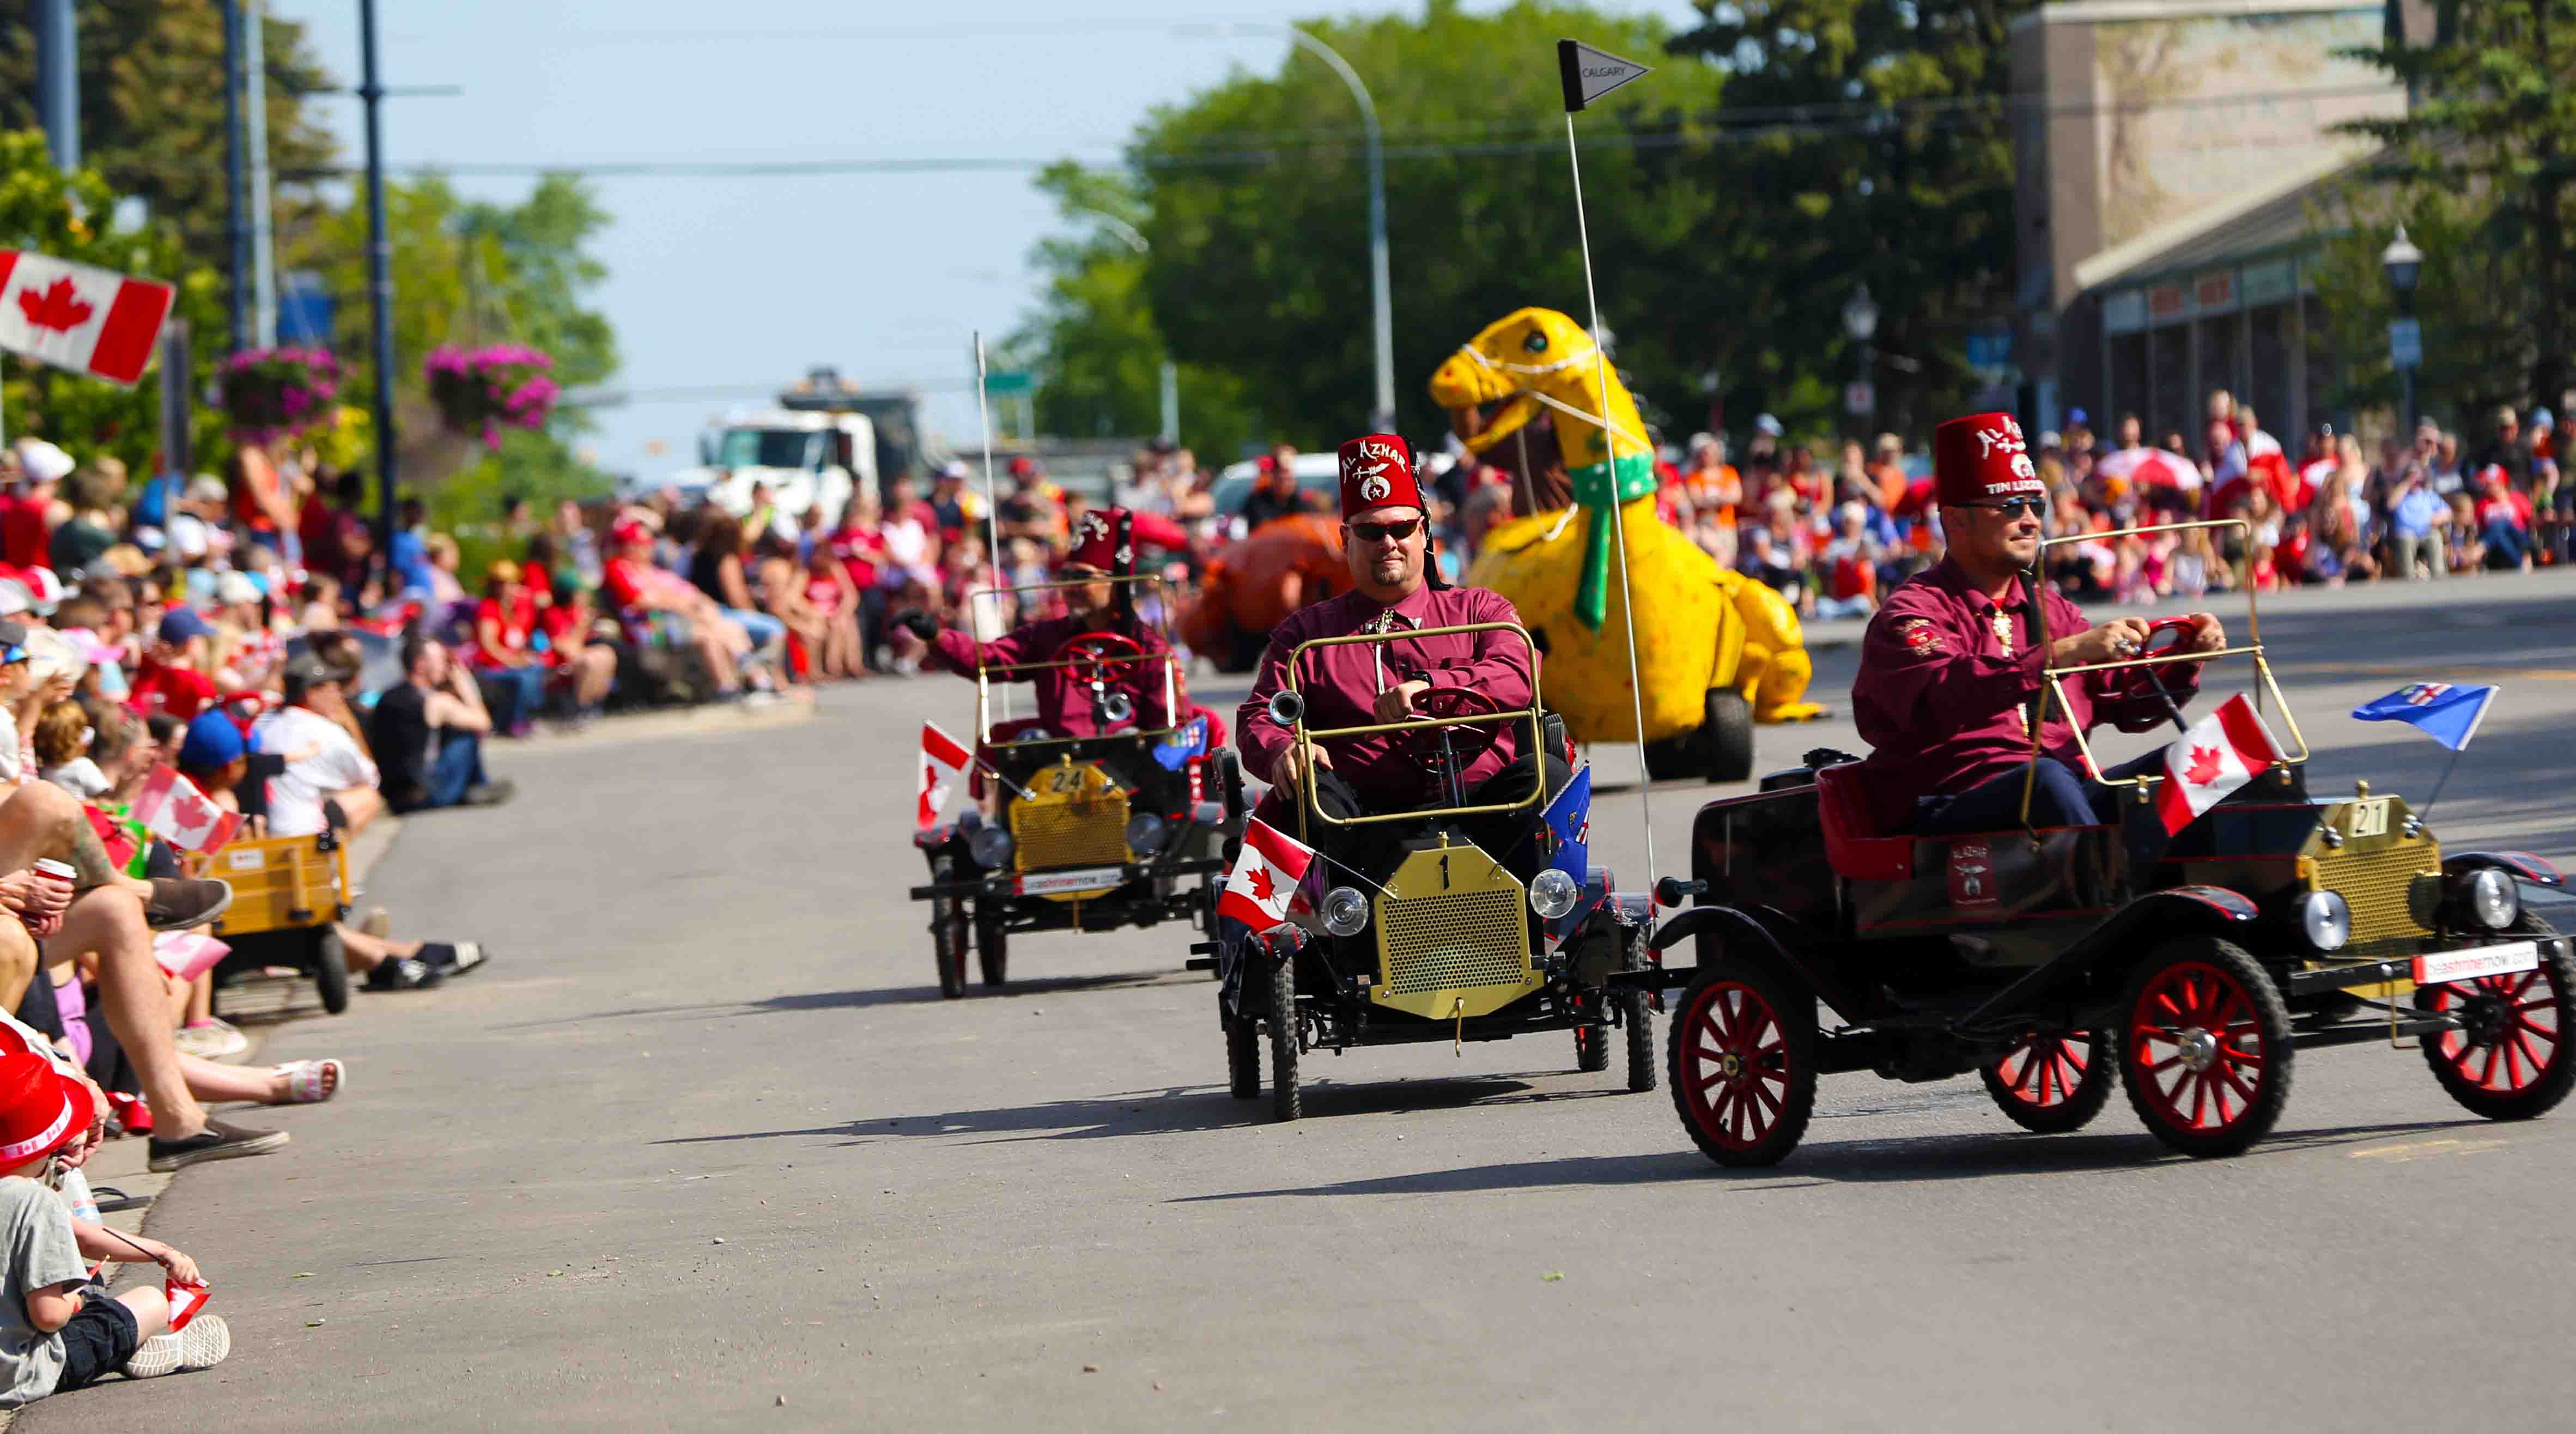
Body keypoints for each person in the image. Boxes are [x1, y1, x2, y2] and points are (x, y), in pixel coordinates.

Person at [1851, 412, 2226, 837]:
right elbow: (1948, 692)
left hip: (2062, 799)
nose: (2031, 520)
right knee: (2048, 780)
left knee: (2220, 756)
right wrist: (2060, 656)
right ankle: (2116, 894)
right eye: (2011, 507)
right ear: (1955, 520)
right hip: (1954, 812)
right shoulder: (1912, 612)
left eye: (2036, 505)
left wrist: (2187, 655)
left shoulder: (2053, 610)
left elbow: (2128, 706)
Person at [1236, 433, 1559, 870]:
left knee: (1550, 779)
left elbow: (1519, 673)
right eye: (1371, 531)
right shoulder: (1304, 635)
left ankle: (1541, 912)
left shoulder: (1482, 611)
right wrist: (1282, 749)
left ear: (1423, 532)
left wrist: (1431, 687)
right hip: (1362, 833)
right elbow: (1261, 715)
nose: (1388, 542)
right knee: (1306, 788)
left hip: (1486, 813)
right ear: (1346, 539)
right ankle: (1354, 930)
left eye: (1401, 528)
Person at [0, 1049, 231, 1406]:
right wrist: (73, 1301)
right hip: (20, 1373)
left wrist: (159, 1251)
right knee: (147, 1302)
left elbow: (84, 1236)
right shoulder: (34, 1202)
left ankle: (123, 1347)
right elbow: (48, 1316)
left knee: (84, 1286)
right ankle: (140, 1345)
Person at [892, 507, 1214, 762]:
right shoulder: (1048, 636)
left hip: (1130, 770)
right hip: (1054, 768)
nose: (1070, 587)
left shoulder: (1150, 649)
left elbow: (1167, 729)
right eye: (1066, 575)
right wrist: (936, 636)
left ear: (1114, 584)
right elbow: (989, 660)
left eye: (1081, 577)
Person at [371, 637, 512, 814]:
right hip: (427, 794)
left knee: (450, 731)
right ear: (421, 664)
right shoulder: (434, 701)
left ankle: (473, 788)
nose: (446, 668)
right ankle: (477, 786)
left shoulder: (388, 697)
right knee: (466, 736)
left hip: (395, 795)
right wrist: (465, 685)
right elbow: (483, 723)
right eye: (441, 661)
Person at [470, 560, 549, 734]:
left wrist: (525, 657)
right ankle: (514, 721)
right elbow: (488, 644)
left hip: (510, 663)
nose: (512, 588)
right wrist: (514, 661)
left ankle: (528, 715)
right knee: (524, 678)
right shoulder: (488, 608)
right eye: (506, 584)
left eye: (514, 583)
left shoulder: (517, 609)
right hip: (490, 666)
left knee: (537, 667)